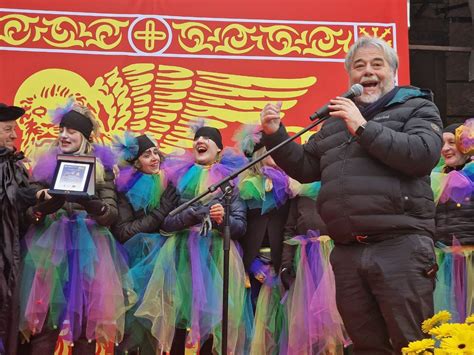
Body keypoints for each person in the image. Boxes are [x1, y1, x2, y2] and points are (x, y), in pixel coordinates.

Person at [259, 36, 443, 354]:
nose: (367, 71)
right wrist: (277, 133)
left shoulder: (418, 108)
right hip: (347, 253)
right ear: (350, 78)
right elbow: (305, 168)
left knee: (412, 343)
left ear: (393, 73)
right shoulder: (335, 124)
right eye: (359, 66)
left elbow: (422, 154)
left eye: (376, 64)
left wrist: (362, 127)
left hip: (400, 246)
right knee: (366, 345)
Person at [19, 103, 134, 354]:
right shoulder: (46, 164)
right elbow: (28, 210)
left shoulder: (101, 168)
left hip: (91, 249)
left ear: (84, 136)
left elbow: (110, 214)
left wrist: (92, 205)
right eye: (61, 130)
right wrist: (46, 205)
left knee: (85, 326)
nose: (63, 135)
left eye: (71, 131)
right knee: (45, 323)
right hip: (49, 248)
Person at [135, 124, 251, 354]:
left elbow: (240, 227)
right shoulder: (179, 178)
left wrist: (222, 219)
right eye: (198, 137)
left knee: (212, 322)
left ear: (219, 149)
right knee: (178, 322)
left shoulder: (230, 183)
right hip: (180, 258)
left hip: (215, 260)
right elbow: (166, 223)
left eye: (208, 138)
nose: (201, 140)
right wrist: (189, 216)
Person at [112, 132, 179, 354]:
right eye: (146, 155)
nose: (154, 158)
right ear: (135, 162)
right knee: (131, 332)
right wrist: (160, 212)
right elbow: (124, 232)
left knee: (156, 333)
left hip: (165, 267)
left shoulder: (171, 182)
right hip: (134, 269)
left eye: (155, 152)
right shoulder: (125, 189)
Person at [431, 120, 474, 322]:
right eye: (442, 144)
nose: (445, 149)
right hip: (446, 261)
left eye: (451, 142)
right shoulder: (436, 179)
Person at [0, 103, 34, 355]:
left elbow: (20, 216)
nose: (15, 135)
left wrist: (39, 205)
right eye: (8, 129)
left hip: (11, 259)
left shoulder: (15, 166)